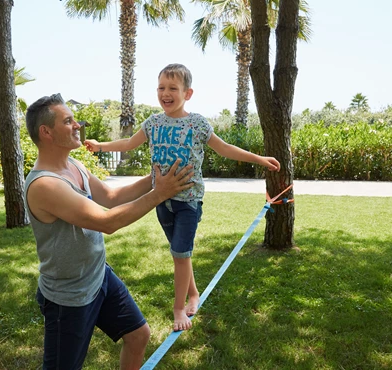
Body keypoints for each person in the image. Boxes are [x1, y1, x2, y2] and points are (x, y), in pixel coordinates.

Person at [84, 63, 281, 332]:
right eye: (161, 87)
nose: (166, 93)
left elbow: (224, 148)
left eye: (172, 88)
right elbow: (129, 143)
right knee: (182, 255)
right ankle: (194, 294)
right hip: (161, 201)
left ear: (187, 93)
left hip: (188, 202)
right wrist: (100, 145)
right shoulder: (152, 123)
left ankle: (179, 309)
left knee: (179, 254)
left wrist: (258, 158)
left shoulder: (197, 123)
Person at [24, 93, 194, 370]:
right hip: (69, 296)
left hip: (98, 275)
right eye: (68, 121)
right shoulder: (45, 185)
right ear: (47, 132)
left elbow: (112, 197)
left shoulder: (74, 165)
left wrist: (156, 178)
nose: (77, 124)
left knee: (139, 336)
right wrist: (160, 193)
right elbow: (107, 222)